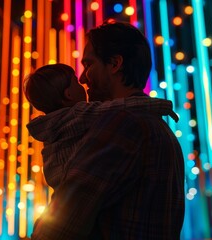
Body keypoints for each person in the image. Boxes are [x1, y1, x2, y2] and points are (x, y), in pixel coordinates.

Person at [30, 20, 185, 239]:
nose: (83, 79)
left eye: (89, 65)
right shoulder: (160, 128)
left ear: (114, 64)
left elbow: (62, 224)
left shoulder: (122, 123)